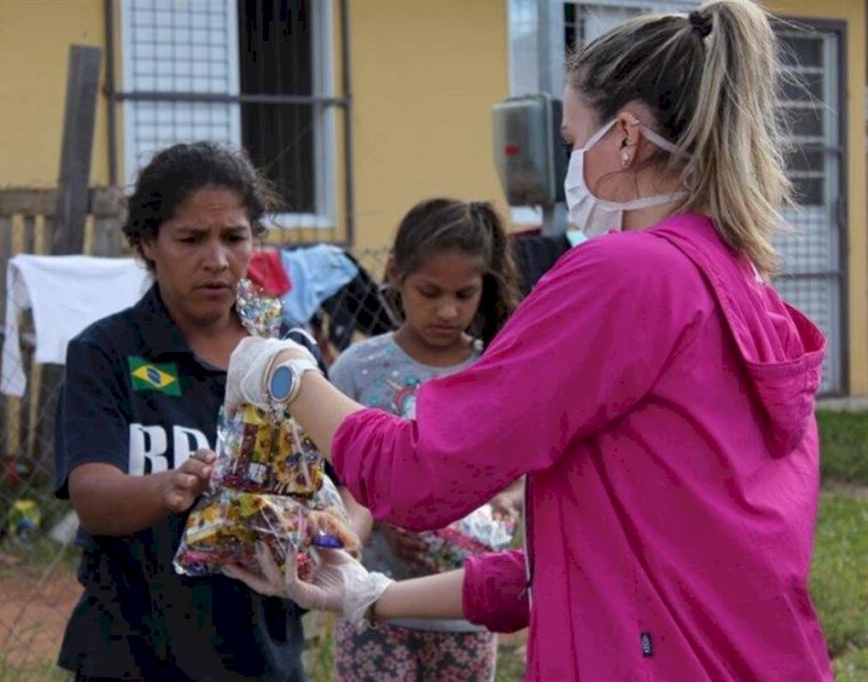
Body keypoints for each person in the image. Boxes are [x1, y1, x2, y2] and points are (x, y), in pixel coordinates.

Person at [220, 1, 835, 680]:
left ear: (626, 138)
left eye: (574, 141)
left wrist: (286, 373)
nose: (570, 164)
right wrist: (372, 596)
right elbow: (586, 563)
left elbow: (420, 471)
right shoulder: (742, 286)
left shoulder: (629, 276)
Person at [53, 141, 310, 680]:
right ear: (148, 243)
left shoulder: (286, 354)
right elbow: (92, 495)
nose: (217, 260)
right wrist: (166, 489)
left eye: (233, 237)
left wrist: (339, 539)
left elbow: (344, 482)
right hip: (132, 655)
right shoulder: (107, 352)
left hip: (262, 656)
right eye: (191, 239)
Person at [328, 197, 520, 681]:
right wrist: (369, 523)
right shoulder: (357, 370)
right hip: (373, 609)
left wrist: (504, 503)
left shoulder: (498, 369)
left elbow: (523, 473)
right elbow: (341, 481)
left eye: (464, 294)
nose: (447, 311)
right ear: (395, 273)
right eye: (429, 292)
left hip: (466, 614)